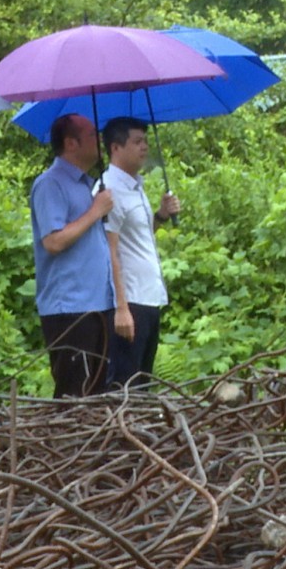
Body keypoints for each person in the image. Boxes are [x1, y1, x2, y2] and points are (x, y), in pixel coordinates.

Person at [30, 113, 116, 397]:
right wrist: (94, 212)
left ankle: (96, 443)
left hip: (97, 304)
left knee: (97, 392)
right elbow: (53, 242)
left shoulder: (86, 185)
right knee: (74, 393)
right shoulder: (49, 184)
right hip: (69, 309)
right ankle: (67, 443)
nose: (100, 140)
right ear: (71, 143)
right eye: (92, 135)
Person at [101, 117, 181, 387]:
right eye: (137, 142)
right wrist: (121, 309)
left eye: (145, 141)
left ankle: (140, 429)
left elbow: (138, 236)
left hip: (149, 298)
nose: (144, 147)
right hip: (130, 301)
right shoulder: (108, 190)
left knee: (143, 383)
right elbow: (109, 250)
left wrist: (160, 216)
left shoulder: (135, 186)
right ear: (116, 148)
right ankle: (122, 430)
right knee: (125, 385)